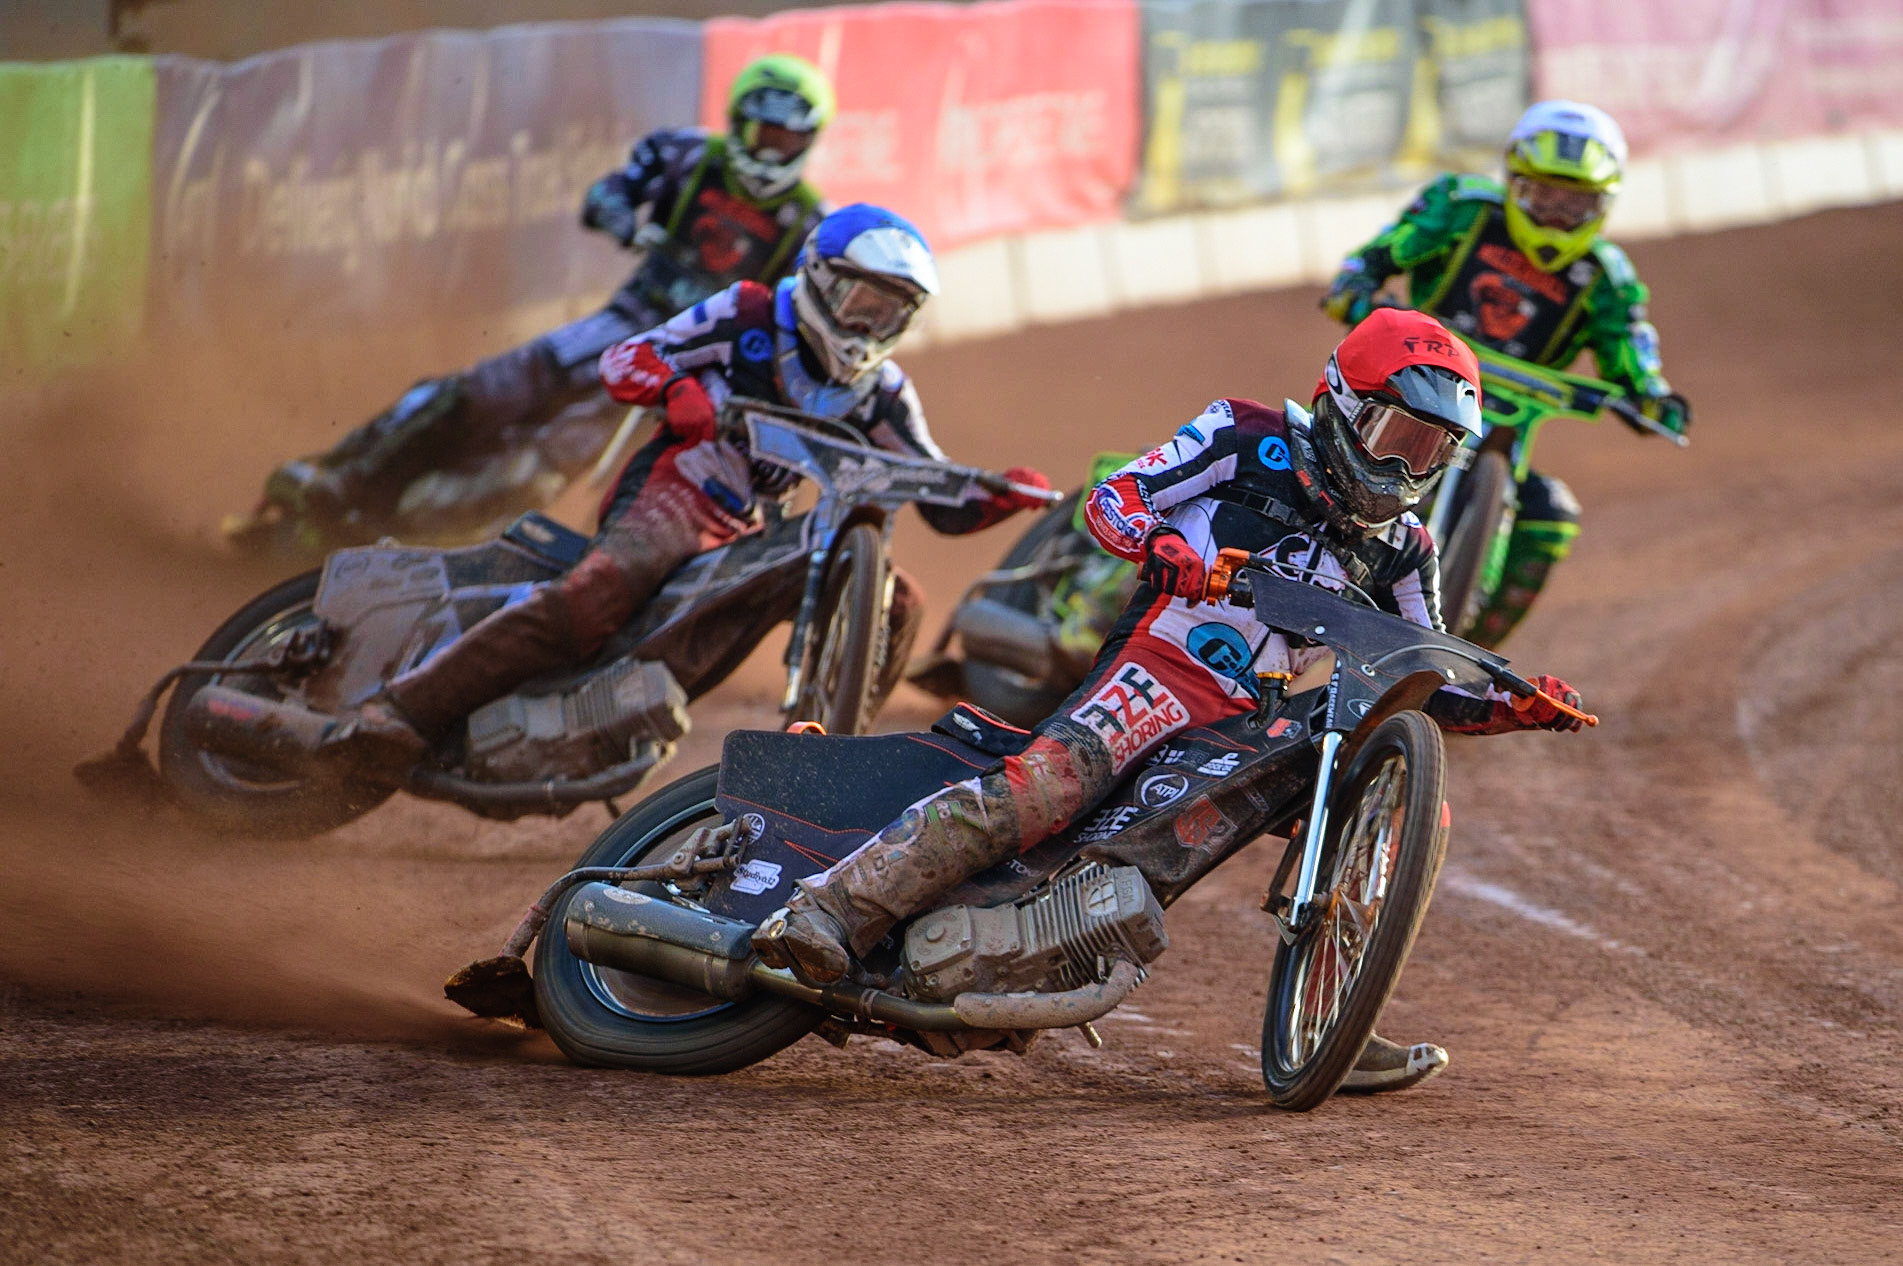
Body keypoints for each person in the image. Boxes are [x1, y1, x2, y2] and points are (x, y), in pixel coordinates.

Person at [753, 308, 1585, 1093]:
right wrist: (1163, 546)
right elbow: (1112, 499)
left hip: (1248, 717)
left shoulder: (1406, 548)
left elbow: (1420, 675)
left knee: (1377, 807)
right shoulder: (1244, 435)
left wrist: (1509, 710)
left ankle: (1339, 1007)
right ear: (1340, 403)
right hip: (1157, 665)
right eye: (1394, 437)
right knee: (1049, 789)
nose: (1406, 468)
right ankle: (829, 908)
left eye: (1432, 452)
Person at [321, 203, 1050, 771]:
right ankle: (405, 711)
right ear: (823, 279)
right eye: (863, 301)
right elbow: (624, 360)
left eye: (890, 312)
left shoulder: (882, 391)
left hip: (756, 529)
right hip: (680, 486)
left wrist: (998, 494)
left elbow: (935, 493)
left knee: (901, 599)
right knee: (608, 585)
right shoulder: (747, 315)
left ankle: (824, 761)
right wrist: (675, 390)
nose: (870, 325)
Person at [234, 54, 839, 550]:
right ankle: (347, 482)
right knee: (491, 391)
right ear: (738, 123)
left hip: (692, 371)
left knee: (540, 471)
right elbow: (605, 196)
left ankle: (404, 536)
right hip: (623, 324)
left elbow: (801, 319)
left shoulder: (808, 222)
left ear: (808, 142)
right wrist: (626, 221)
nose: (771, 151)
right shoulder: (685, 154)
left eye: (788, 139)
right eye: (765, 133)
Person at [1322, 100, 1691, 646]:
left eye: (1575, 203)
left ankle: (1467, 663)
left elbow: (1628, 342)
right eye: (1544, 195)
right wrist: (1357, 281)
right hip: (1404, 389)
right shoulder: (1462, 208)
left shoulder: (1606, 277)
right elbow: (1383, 253)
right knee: (1309, 454)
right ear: (1514, 182)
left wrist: (1651, 393)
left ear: (1603, 204)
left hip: (1505, 426)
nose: (1554, 216)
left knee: (1552, 516)